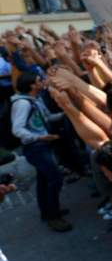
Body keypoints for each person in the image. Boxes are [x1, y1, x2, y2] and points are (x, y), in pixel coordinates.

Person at [10, 72, 71, 232]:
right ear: (32, 86)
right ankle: (53, 216)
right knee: (55, 179)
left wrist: (66, 112)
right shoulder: (22, 104)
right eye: (38, 80)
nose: (42, 82)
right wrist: (40, 137)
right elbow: (17, 129)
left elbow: (46, 118)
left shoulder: (35, 99)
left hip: (42, 144)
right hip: (35, 147)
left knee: (44, 180)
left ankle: (47, 211)